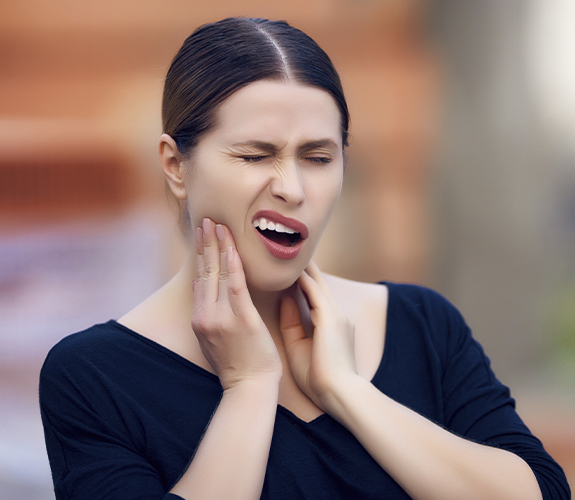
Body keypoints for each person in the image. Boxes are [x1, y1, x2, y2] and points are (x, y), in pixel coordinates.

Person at [39, 17, 570, 500]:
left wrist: (347, 391)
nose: (291, 188)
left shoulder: (423, 325)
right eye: (255, 156)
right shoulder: (93, 376)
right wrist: (248, 387)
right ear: (176, 165)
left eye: (318, 157)